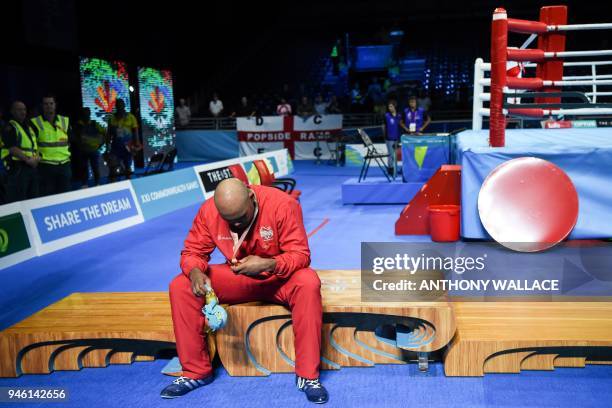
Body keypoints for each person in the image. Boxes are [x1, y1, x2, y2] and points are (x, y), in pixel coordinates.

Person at [163, 179, 328, 404]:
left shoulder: (283, 204)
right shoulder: (209, 210)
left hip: (277, 278)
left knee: (308, 282)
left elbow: (300, 255)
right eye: (229, 221)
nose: (235, 226)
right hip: (238, 276)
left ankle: (308, 376)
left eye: (241, 218)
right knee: (180, 286)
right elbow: (193, 251)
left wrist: (270, 264)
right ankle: (195, 372)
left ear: (251, 197)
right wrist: (194, 272)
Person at [31, 95, 72, 195]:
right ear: (42, 106)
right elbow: (31, 144)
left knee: (65, 196)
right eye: (46, 104)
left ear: (55, 105)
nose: (48, 106)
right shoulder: (35, 122)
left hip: (64, 165)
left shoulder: (64, 121)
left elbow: (71, 140)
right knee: (48, 197)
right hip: (46, 166)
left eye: (51, 103)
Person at [1, 101, 40, 202]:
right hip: (17, 169)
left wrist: (37, 158)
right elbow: (12, 149)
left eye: (24, 109)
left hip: (31, 167)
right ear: (12, 111)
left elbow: (34, 147)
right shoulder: (10, 127)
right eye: (19, 110)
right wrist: (28, 160)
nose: (23, 112)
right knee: (18, 201)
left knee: (33, 199)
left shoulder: (28, 127)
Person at [108, 99, 140, 180]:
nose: (119, 106)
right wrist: (107, 146)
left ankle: (128, 183)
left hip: (127, 146)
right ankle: (113, 185)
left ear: (124, 106)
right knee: (113, 168)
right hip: (115, 146)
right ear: (115, 106)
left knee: (127, 166)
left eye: (121, 105)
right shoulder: (111, 118)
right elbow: (109, 134)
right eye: (118, 105)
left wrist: (137, 143)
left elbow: (135, 131)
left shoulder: (131, 117)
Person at [73, 107, 105, 187]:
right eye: (84, 114)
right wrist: (79, 145)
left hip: (94, 150)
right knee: (83, 168)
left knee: (95, 168)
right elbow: (74, 137)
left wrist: (101, 143)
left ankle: (97, 183)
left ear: (90, 114)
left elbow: (104, 132)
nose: (86, 115)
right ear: (82, 115)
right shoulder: (78, 125)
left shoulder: (94, 124)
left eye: (88, 114)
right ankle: (84, 184)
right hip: (83, 151)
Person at [384, 101, 402, 177]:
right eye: (389, 107)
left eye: (391, 106)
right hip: (389, 138)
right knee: (390, 155)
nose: (390, 108)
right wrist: (384, 136)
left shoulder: (399, 116)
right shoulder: (386, 115)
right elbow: (383, 126)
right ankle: (390, 169)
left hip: (397, 138)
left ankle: (396, 169)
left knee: (396, 155)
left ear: (395, 107)